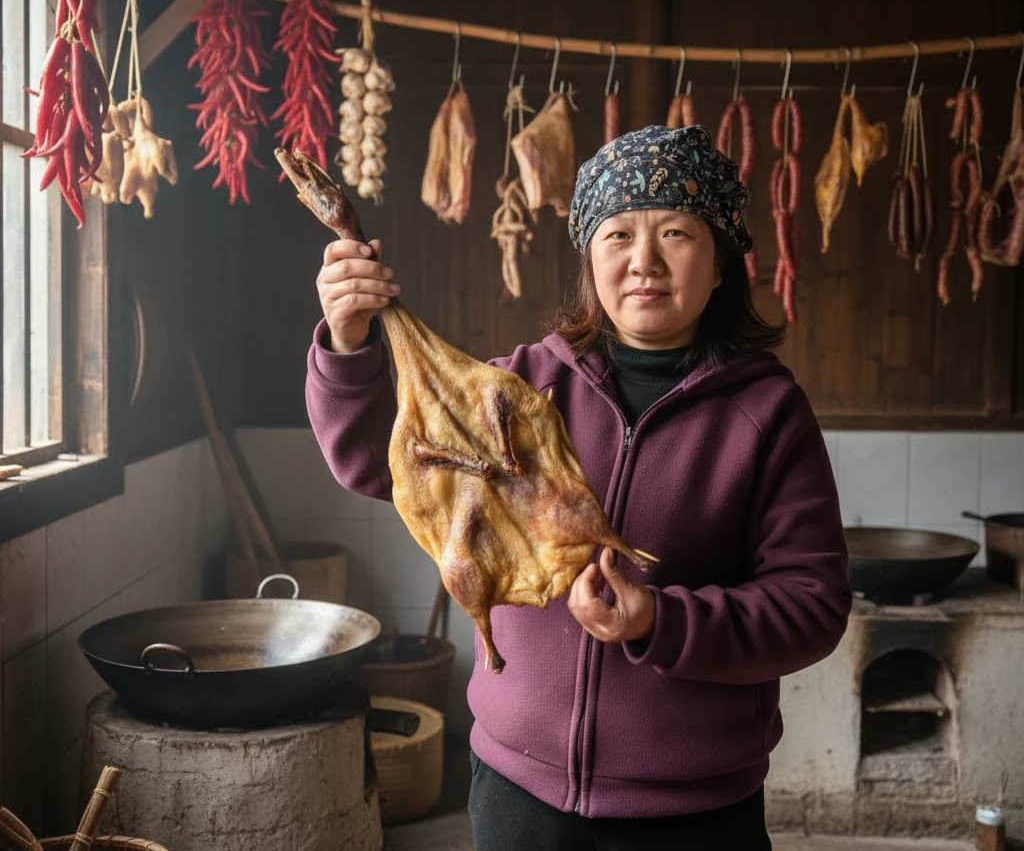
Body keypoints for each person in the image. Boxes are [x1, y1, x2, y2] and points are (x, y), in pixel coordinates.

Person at [306, 123, 852, 851]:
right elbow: (380, 464)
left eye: (678, 234)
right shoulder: (520, 388)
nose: (644, 261)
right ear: (590, 260)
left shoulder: (767, 414)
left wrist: (660, 621)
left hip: (693, 812)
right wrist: (348, 344)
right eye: (618, 234)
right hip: (518, 795)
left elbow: (812, 606)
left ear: (721, 262)